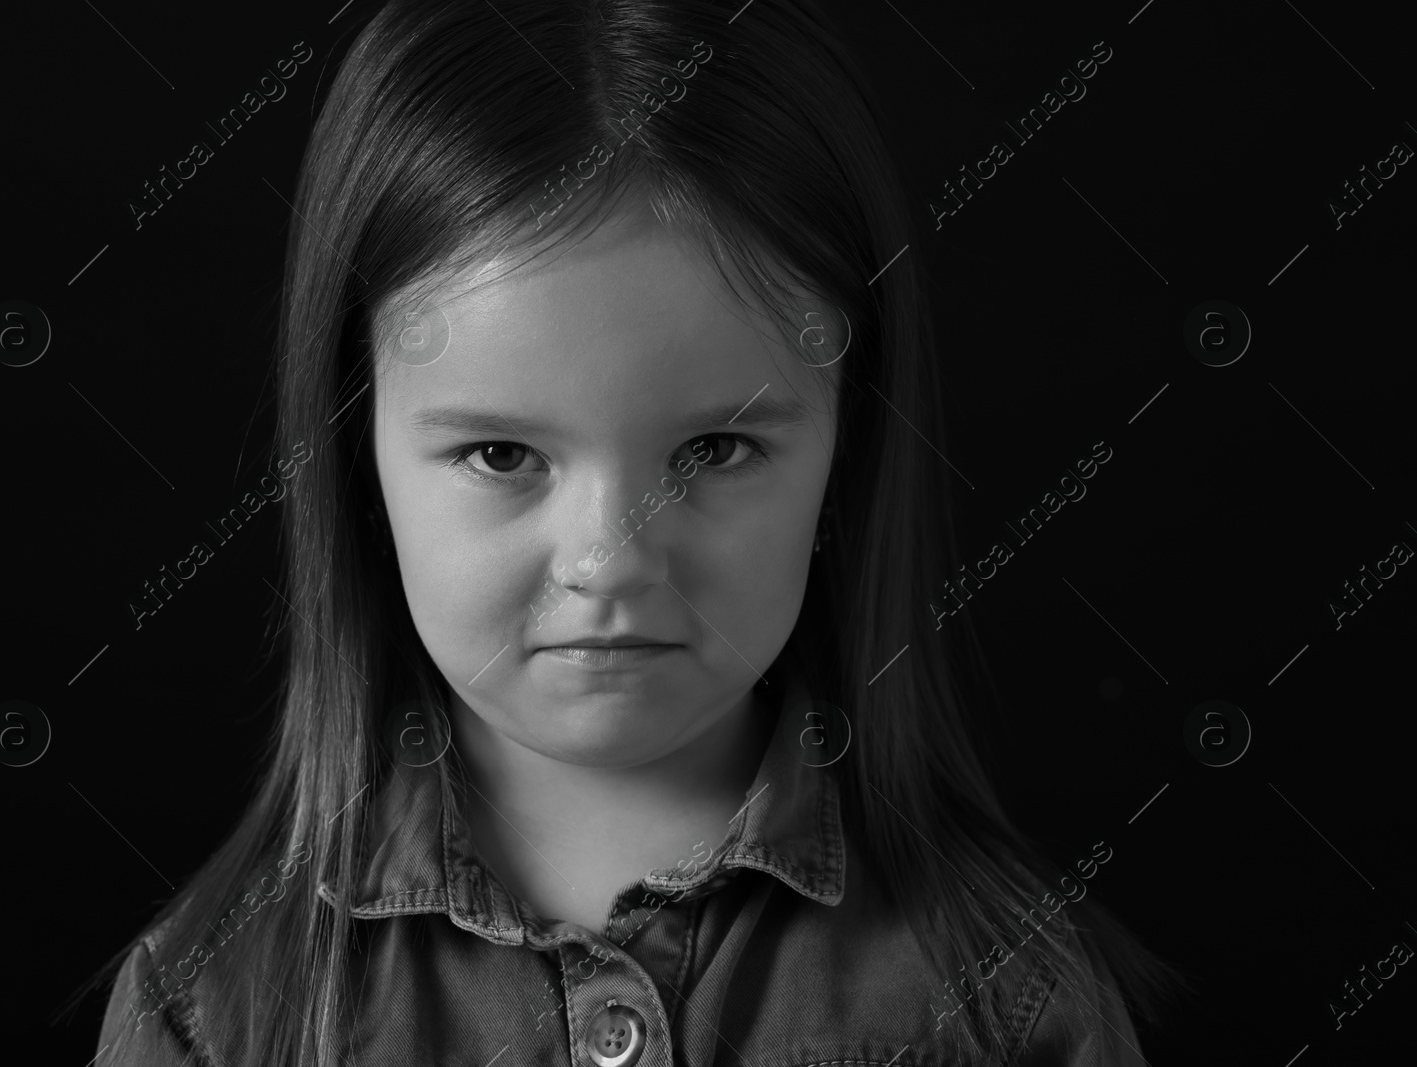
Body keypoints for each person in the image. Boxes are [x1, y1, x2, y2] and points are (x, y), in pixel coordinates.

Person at [80, 0, 1183, 1062]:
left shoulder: (1008, 999)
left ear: (848, 446)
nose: (609, 561)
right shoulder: (214, 1014)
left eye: (710, 451)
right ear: (355, 451)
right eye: (502, 455)